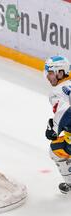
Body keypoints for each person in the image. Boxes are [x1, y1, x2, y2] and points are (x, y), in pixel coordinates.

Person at [44, 55, 71, 194]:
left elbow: (65, 110)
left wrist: (54, 128)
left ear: (60, 72)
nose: (48, 77)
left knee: (55, 150)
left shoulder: (57, 91)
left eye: (50, 73)